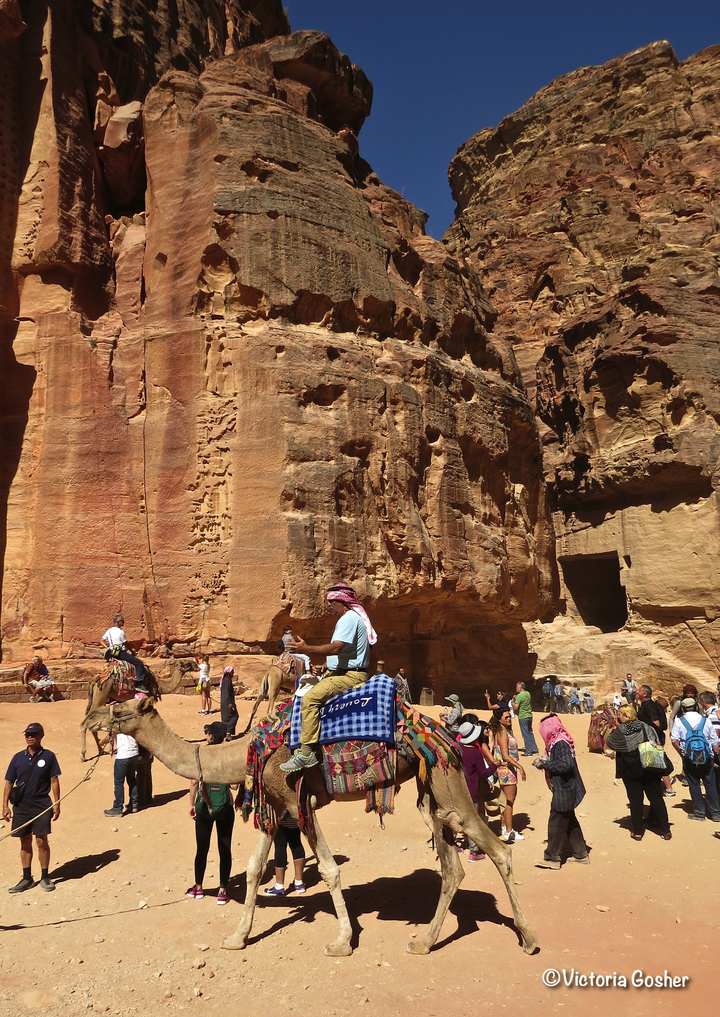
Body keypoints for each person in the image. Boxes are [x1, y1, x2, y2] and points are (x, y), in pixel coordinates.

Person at [281, 583, 376, 772]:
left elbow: (336, 648)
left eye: (331, 601)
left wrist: (305, 649)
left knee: (309, 699)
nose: (329, 605)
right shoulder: (350, 618)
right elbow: (344, 651)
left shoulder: (348, 619)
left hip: (350, 676)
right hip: (342, 671)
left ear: (342, 601)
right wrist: (327, 664)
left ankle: (306, 753)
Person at [3, 722, 61, 892]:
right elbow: (8, 782)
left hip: (41, 803)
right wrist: (4, 806)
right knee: (25, 841)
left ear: (41, 735)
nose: (30, 737)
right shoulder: (17, 758)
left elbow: (54, 780)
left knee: (41, 841)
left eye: (33, 734)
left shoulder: (48, 756)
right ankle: (27, 878)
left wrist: (57, 804)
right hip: (21, 805)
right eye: (27, 734)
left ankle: (45, 876)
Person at [186, 722, 235, 905]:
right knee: (225, 848)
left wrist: (191, 804)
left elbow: (193, 782)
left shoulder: (201, 755)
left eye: (208, 733)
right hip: (224, 808)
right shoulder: (227, 756)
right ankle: (223, 891)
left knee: (202, 849)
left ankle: (198, 887)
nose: (206, 735)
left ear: (212, 737)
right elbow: (235, 785)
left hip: (204, 807)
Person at [606, 705, 671, 841]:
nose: (618, 717)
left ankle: (637, 832)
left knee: (635, 801)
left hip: (630, 769)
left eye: (620, 714)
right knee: (656, 798)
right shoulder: (644, 726)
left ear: (625, 716)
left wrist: (616, 729)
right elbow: (655, 741)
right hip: (650, 766)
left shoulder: (620, 731)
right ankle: (666, 830)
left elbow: (610, 743)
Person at [535, 715, 589, 868]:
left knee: (556, 822)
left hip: (565, 788)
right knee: (569, 820)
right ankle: (581, 853)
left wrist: (546, 764)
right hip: (566, 787)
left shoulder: (560, 743)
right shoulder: (557, 742)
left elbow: (566, 765)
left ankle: (552, 857)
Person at [670, 697, 720, 822]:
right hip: (707, 757)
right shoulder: (705, 720)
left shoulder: (679, 721)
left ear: (682, 708)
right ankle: (715, 814)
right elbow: (715, 742)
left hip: (689, 758)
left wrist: (682, 753)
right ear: (697, 707)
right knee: (711, 785)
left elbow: (674, 740)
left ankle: (699, 813)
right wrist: (715, 756)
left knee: (694, 785)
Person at [457, 720, 498, 861]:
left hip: (459, 791)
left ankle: (454, 845)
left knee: (457, 819)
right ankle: (474, 852)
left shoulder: (458, 749)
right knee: (473, 822)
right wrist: (495, 766)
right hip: (472, 792)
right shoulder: (474, 752)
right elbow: (483, 773)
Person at [488, 707, 526, 842]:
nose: (509, 719)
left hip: (507, 769)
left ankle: (504, 827)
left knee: (505, 801)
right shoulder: (503, 734)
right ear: (499, 719)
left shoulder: (503, 731)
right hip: (507, 769)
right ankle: (509, 831)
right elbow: (505, 755)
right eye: (506, 717)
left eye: (509, 716)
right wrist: (519, 767)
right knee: (509, 801)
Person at [636, 684, 674, 798]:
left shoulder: (649, 707)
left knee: (659, 762)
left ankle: (669, 789)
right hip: (654, 737)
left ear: (645, 694)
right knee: (658, 761)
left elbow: (655, 723)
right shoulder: (645, 705)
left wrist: (652, 738)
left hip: (654, 738)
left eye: (639, 690)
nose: (637, 692)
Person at [263, 810, 306, 896]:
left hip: (280, 818)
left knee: (280, 847)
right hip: (295, 816)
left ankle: (279, 886)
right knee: (296, 844)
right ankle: (299, 883)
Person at [101, 614, 149, 690]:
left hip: (112, 654)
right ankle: (140, 684)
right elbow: (126, 643)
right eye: (122, 621)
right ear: (118, 622)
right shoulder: (121, 632)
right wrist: (132, 651)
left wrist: (108, 648)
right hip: (121, 653)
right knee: (139, 663)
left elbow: (101, 640)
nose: (124, 622)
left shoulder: (109, 631)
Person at [104, 730, 139, 818]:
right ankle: (134, 804)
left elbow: (108, 737)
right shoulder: (130, 721)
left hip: (123, 756)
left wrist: (100, 742)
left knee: (119, 783)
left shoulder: (117, 725)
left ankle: (118, 808)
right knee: (132, 780)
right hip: (134, 753)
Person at [511, 682, 538, 756]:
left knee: (525, 734)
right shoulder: (527, 693)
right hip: (529, 715)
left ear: (520, 687)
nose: (516, 688)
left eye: (517, 686)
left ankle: (528, 751)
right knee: (530, 733)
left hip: (523, 716)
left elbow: (516, 707)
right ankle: (534, 749)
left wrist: (513, 702)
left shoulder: (519, 696)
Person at [220, 666, 238, 739]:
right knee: (235, 716)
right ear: (229, 672)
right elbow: (227, 692)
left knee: (226, 718)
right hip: (227, 702)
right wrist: (229, 703)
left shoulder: (226, 679)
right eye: (232, 672)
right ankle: (228, 732)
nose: (233, 673)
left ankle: (226, 734)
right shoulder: (227, 680)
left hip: (224, 701)